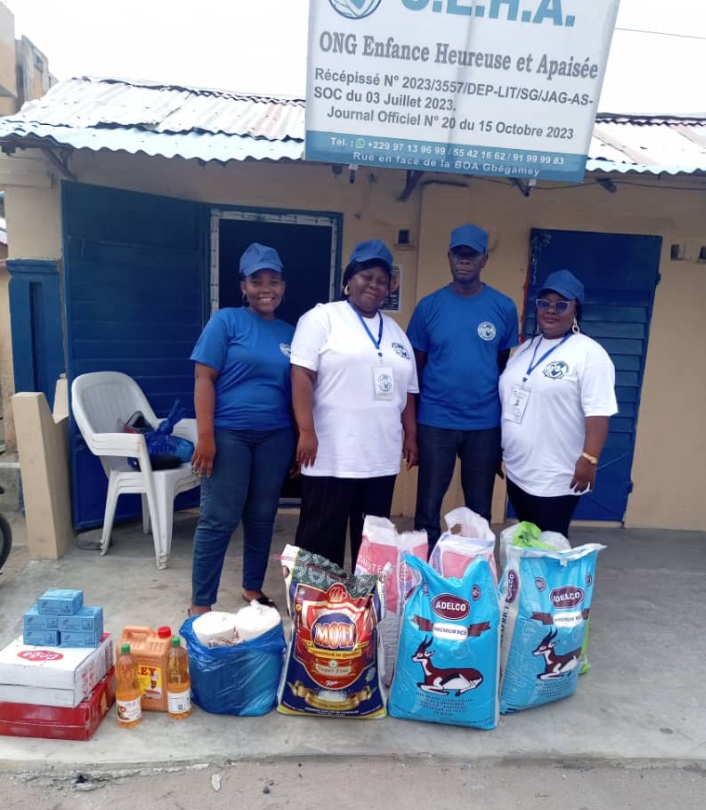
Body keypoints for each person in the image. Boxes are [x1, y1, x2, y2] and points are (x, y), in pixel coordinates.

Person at [290, 239, 419, 569]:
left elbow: (408, 391)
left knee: (373, 548)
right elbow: (301, 375)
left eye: (381, 279)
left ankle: (364, 613)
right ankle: (317, 612)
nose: (374, 285)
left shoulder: (395, 332)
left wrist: (411, 435)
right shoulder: (322, 318)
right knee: (321, 543)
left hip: (380, 459)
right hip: (331, 456)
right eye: (366, 276)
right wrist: (306, 430)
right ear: (349, 279)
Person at [188, 243, 295, 615]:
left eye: (274, 280)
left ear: (283, 286)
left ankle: (252, 587)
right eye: (257, 280)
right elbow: (204, 378)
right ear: (244, 287)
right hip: (229, 434)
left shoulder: (290, 332)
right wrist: (205, 437)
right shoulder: (226, 321)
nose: (267, 288)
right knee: (219, 518)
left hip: (276, 436)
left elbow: (298, 389)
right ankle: (201, 602)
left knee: (263, 515)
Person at [407, 223, 519, 551]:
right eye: (459, 253)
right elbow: (417, 369)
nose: (465, 260)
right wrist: (412, 429)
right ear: (449, 257)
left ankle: (473, 571)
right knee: (428, 505)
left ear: (484, 259)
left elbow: (500, 364)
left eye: (472, 254)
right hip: (436, 421)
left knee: (479, 508)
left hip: (484, 424)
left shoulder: (503, 306)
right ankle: (424, 574)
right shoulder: (429, 307)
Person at [499, 270, 618, 537]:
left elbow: (599, 413)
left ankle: (551, 582)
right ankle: (531, 581)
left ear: (576, 310)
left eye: (561, 304)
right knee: (529, 540)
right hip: (519, 471)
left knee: (551, 545)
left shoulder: (589, 353)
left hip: (556, 475)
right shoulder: (525, 349)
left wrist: (589, 458)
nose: (551, 310)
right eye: (545, 303)